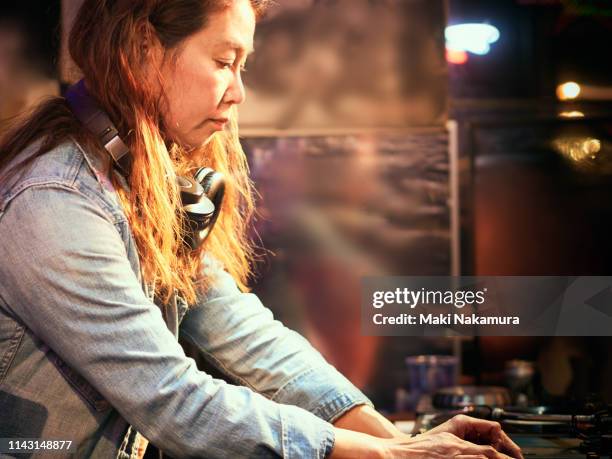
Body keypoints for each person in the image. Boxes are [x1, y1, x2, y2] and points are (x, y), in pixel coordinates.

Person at [0, 0, 524, 457]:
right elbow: (169, 397)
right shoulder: (55, 201)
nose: (238, 93)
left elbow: (242, 330)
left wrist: (398, 443)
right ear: (142, 48)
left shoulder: (133, 181)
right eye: (224, 62)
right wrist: (385, 456)